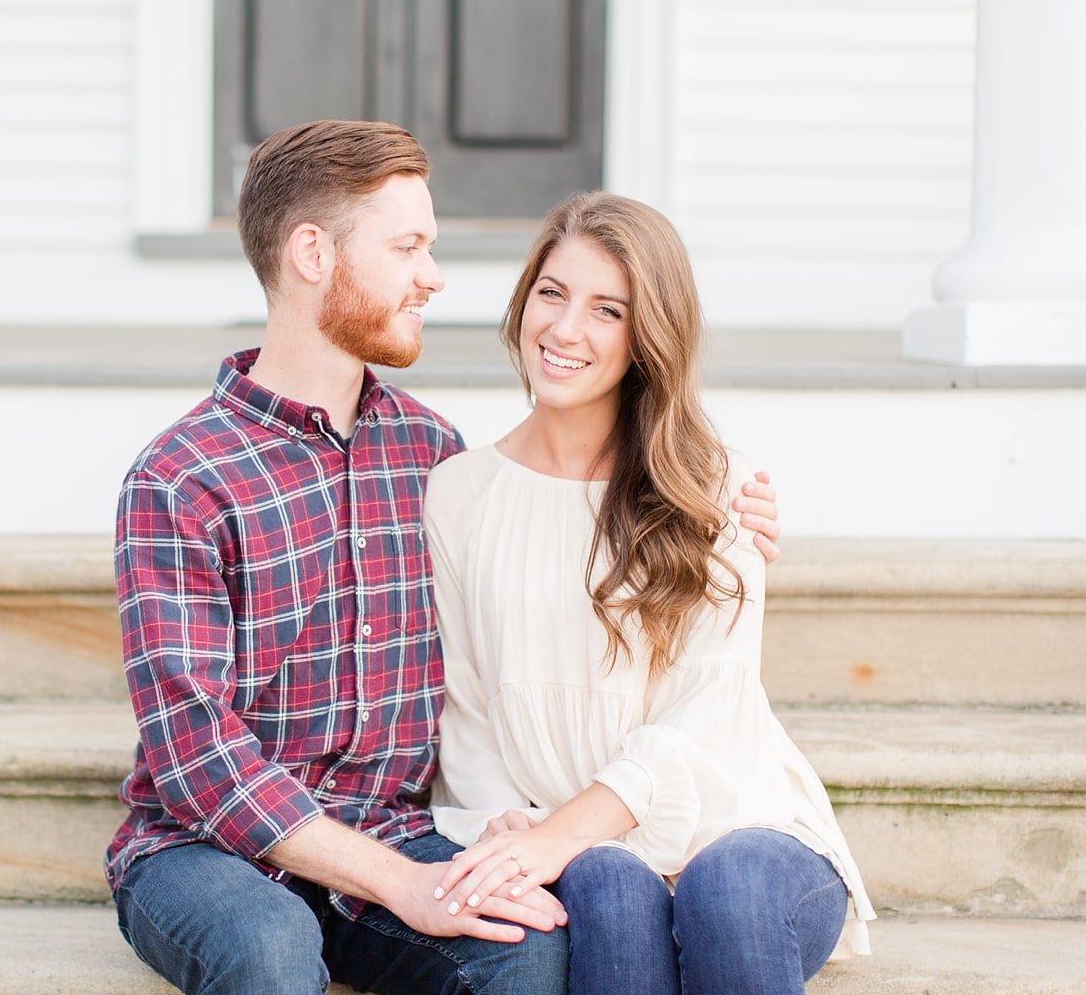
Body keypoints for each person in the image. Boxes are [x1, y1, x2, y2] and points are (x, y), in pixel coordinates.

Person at [106, 121, 783, 995]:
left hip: (397, 829)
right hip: (206, 850)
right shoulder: (181, 477)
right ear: (313, 252)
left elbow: (560, 542)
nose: (432, 275)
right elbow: (194, 753)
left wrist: (719, 518)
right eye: (407, 247)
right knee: (267, 946)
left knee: (528, 948)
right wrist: (405, 885)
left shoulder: (429, 455)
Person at [422, 191, 875, 995]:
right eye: (552, 294)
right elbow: (467, 707)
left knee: (720, 888)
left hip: (737, 831)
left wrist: (563, 831)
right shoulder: (458, 492)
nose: (564, 331)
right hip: (572, 845)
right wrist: (507, 826)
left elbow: (709, 705)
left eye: (607, 310)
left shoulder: (713, 488)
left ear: (646, 339)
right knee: (605, 884)